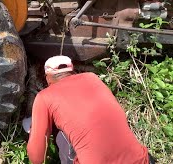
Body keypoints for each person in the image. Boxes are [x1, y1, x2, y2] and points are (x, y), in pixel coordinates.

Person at [24, 55, 155, 164]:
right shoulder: (93, 78)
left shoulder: (44, 96)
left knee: (59, 131)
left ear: (48, 77)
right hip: (143, 160)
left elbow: (36, 158)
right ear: (72, 71)